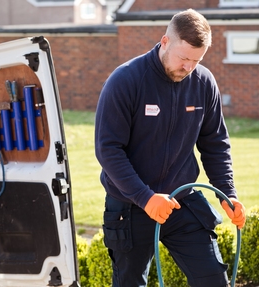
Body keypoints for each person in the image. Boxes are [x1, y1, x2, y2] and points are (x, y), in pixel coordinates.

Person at [94, 8, 246, 287]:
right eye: (184, 58)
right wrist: (145, 197)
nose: (188, 67)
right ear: (165, 42)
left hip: (182, 200)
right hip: (130, 204)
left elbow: (215, 144)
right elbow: (108, 150)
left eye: (196, 60)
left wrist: (228, 194)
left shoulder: (203, 83)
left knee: (213, 279)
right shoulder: (126, 80)